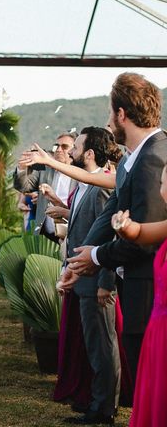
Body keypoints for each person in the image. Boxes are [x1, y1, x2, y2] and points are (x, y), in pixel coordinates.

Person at [65, 72, 167, 397]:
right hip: (135, 285)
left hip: (151, 292)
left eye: (111, 114)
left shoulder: (153, 158)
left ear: (121, 114)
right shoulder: (130, 162)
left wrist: (96, 257)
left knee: (153, 388)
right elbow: (111, 215)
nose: (109, 122)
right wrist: (79, 259)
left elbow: (144, 242)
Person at [53, 127, 123, 425]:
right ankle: (97, 399)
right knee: (95, 345)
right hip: (83, 279)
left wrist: (106, 283)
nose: (71, 152)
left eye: (76, 147)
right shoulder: (85, 186)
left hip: (97, 281)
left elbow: (109, 239)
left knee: (103, 345)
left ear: (89, 154)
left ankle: (104, 408)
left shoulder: (102, 187)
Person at [112, 166, 167, 427]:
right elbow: (141, 233)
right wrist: (124, 227)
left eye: (163, 182)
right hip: (157, 333)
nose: (160, 189)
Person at [14, 132, 77, 241]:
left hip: (71, 234)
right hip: (45, 233)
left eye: (64, 147)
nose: (58, 149)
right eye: (56, 146)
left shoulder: (80, 174)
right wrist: (21, 168)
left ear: (74, 150)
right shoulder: (45, 169)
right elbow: (24, 187)